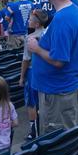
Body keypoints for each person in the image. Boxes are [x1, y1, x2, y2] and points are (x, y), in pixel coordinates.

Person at [27, 0, 78, 134]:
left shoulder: (62, 20)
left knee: (57, 139)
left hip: (57, 92)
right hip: (62, 88)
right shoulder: (73, 8)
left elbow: (59, 61)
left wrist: (36, 48)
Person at [19, 9, 48, 141]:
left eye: (30, 20)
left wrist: (21, 77)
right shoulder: (48, 32)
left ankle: (33, 130)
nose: (28, 21)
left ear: (36, 24)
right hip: (46, 70)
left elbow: (26, 59)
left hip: (33, 72)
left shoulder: (30, 38)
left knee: (31, 101)